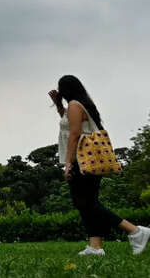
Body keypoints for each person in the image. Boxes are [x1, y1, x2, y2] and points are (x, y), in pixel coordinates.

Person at [49, 75, 149, 256]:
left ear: (65, 89)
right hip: (91, 160)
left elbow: (74, 134)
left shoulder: (74, 105)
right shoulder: (81, 105)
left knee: (87, 203)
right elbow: (68, 122)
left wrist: (68, 163)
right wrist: (58, 105)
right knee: (87, 203)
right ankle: (96, 246)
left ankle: (135, 231)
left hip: (81, 159)